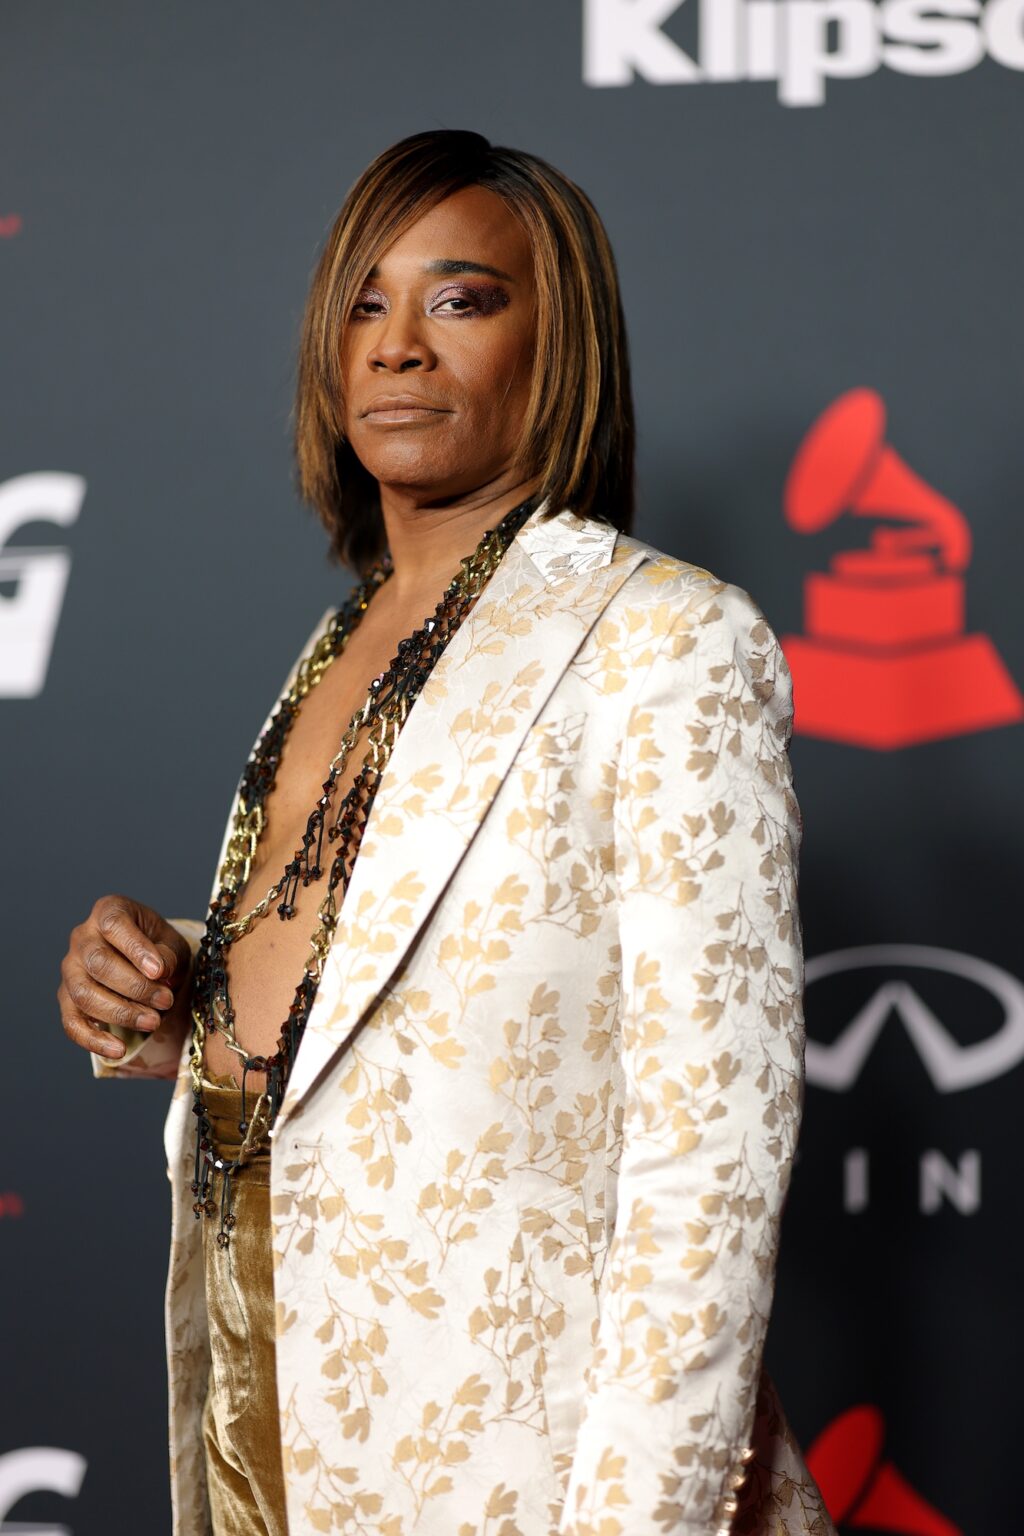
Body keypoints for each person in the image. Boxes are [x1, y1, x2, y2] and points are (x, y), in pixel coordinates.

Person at [58, 130, 835, 1536]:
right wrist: (176, 987)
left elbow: (708, 1175)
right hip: (274, 1418)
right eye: (363, 303)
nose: (398, 346)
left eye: (460, 299)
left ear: (562, 340)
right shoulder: (345, 636)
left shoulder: (666, 642)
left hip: (518, 1477)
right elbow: (400, 986)